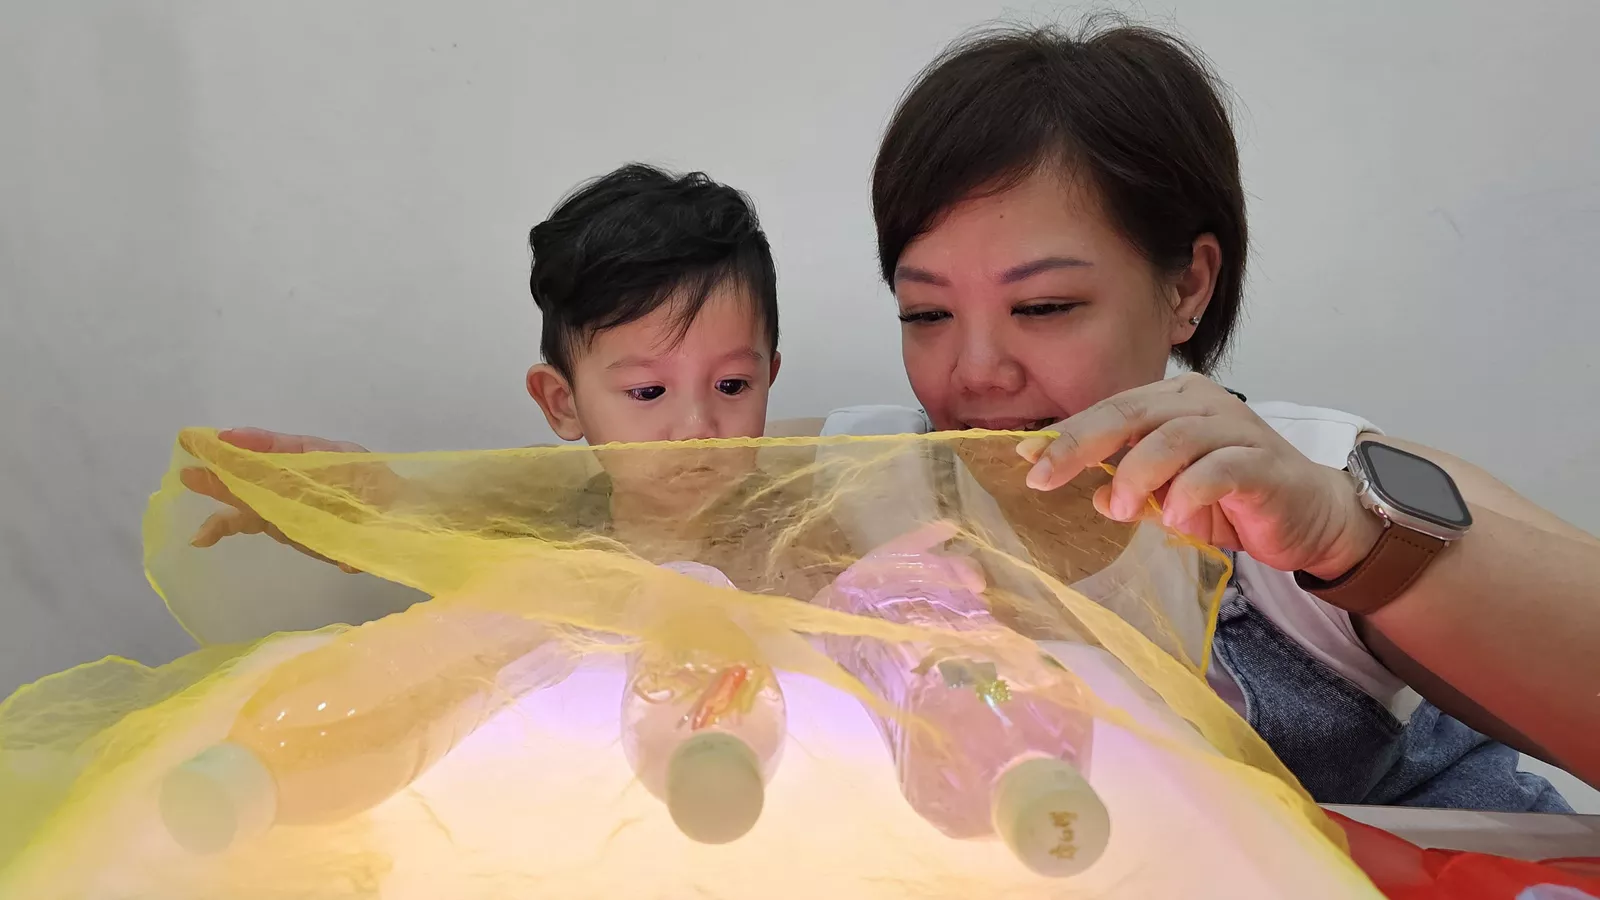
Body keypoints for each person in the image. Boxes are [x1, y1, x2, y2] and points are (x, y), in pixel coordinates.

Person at [815, 22, 1598, 808]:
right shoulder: (861, 483)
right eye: (925, 314)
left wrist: (1348, 539)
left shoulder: (1310, 479)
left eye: (1044, 305)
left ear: (1188, 287)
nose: (977, 372)